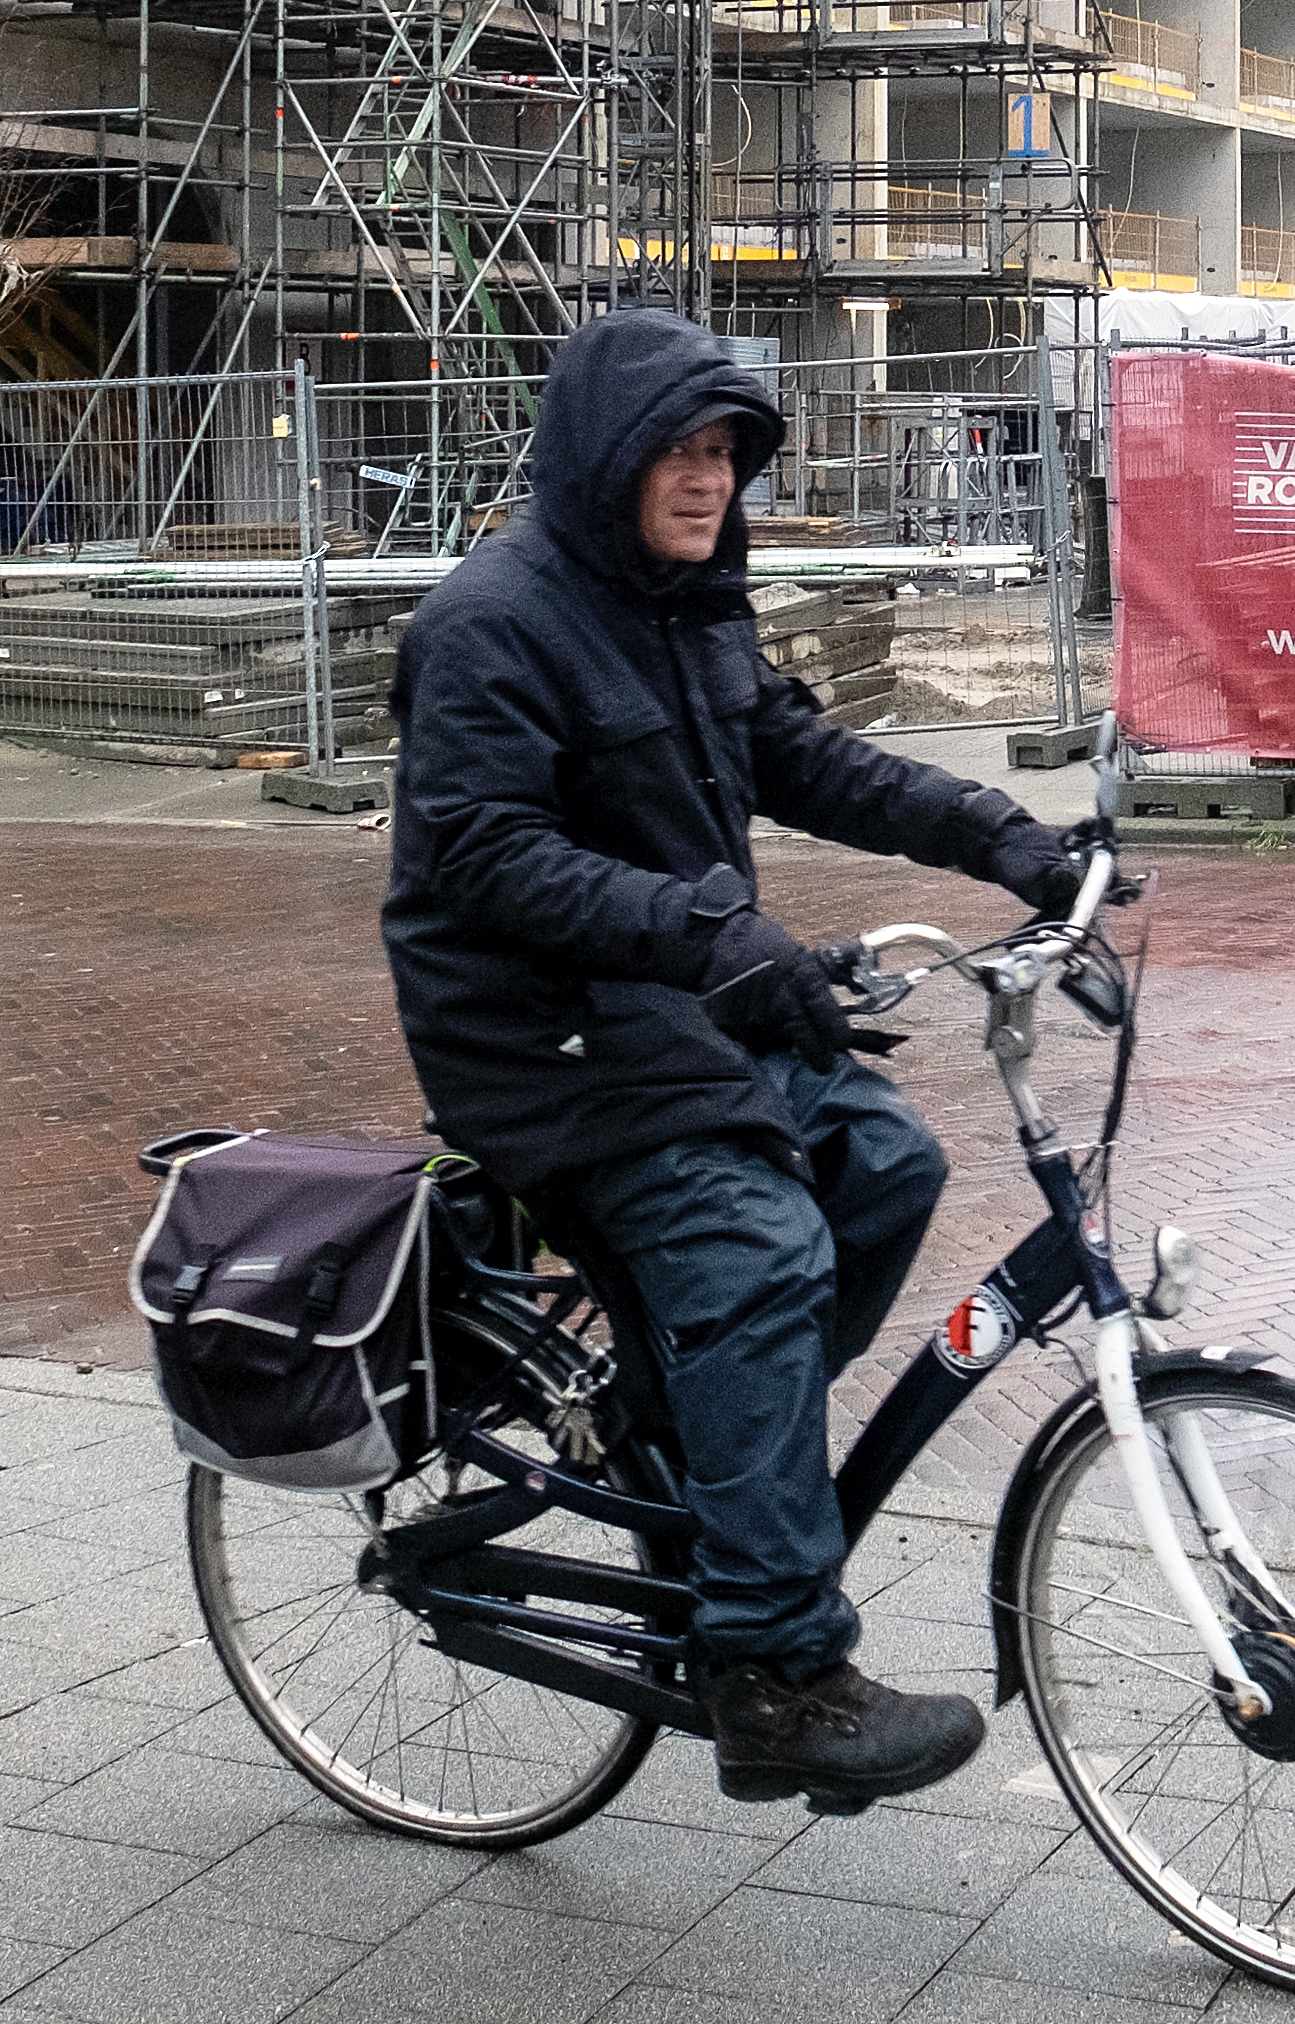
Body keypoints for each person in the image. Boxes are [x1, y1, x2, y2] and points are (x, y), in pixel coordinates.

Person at [381, 308, 1095, 1809]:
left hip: (670, 1004)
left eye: (726, 452)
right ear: (604, 457)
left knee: (887, 1164)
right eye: (678, 450)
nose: (707, 480)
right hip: (537, 1035)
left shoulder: (691, 601)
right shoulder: (489, 623)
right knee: (761, 1246)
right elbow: (487, 854)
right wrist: (714, 937)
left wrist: (1000, 838)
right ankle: (774, 1667)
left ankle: (700, 1437)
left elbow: (801, 755)